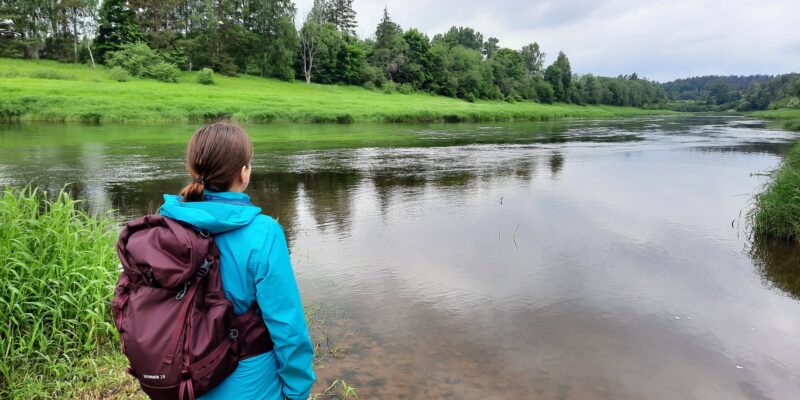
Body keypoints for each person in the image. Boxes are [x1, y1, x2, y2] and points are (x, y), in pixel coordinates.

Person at [158, 122, 315, 400]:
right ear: (244, 173)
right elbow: (287, 326)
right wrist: (297, 390)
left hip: (180, 378)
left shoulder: (164, 225)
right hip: (251, 382)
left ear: (193, 170)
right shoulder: (264, 232)